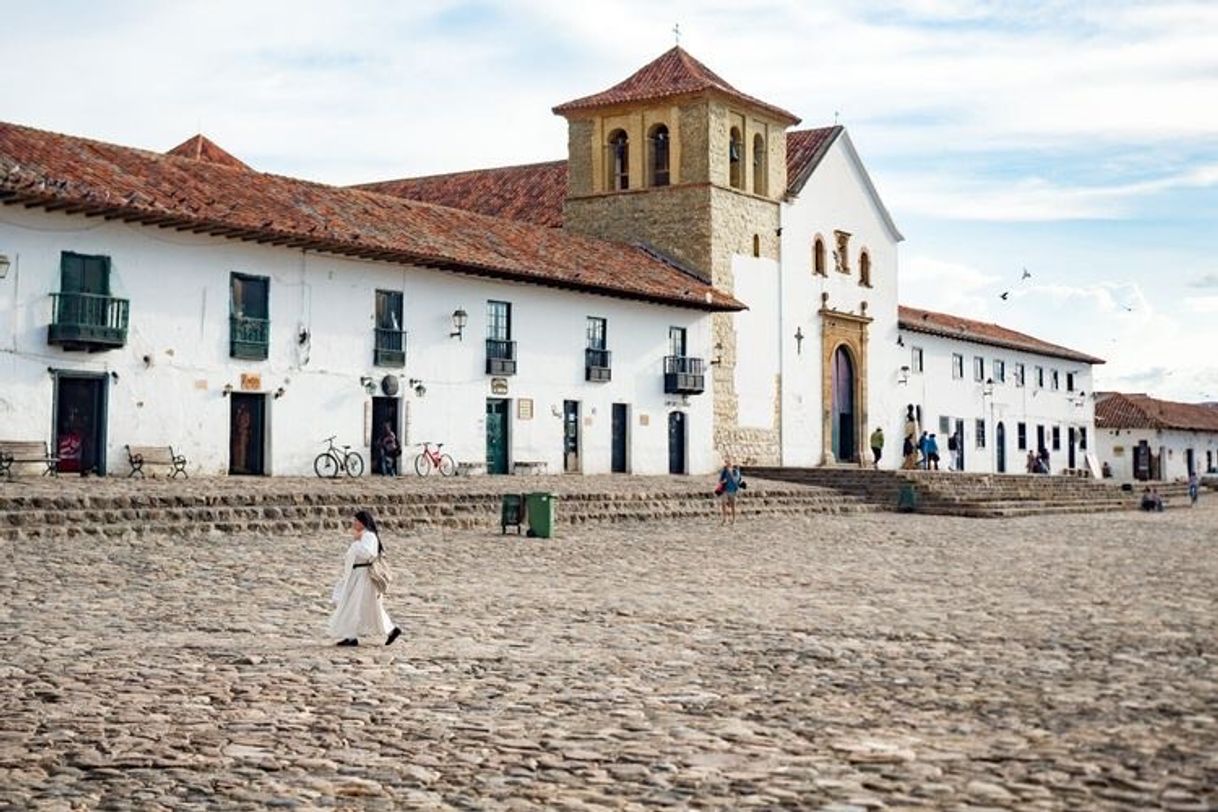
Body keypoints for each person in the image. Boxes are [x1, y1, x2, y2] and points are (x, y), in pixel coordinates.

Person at [330, 509, 401, 647]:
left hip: (363, 576)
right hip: (357, 574)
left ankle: (386, 630)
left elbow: (368, 553)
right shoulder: (364, 535)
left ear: (363, 522)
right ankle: (351, 635)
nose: (354, 523)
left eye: (356, 521)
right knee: (357, 605)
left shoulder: (368, 536)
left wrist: (357, 543)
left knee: (358, 604)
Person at [717, 457, 743, 525]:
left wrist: (730, 473)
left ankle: (734, 519)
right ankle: (725, 519)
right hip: (725, 490)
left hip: (733, 490)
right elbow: (720, 480)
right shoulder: (724, 471)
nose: (728, 463)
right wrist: (723, 481)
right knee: (723, 504)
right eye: (727, 462)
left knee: (733, 505)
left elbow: (736, 480)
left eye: (729, 462)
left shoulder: (735, 471)